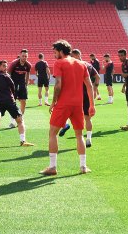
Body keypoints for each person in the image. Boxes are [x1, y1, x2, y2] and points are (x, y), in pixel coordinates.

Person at [40, 40, 94, 176]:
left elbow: (58, 84)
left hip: (64, 103)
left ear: (60, 51)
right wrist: (92, 105)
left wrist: (53, 101)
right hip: (78, 104)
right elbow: (89, 85)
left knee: (52, 133)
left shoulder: (59, 63)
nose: (54, 55)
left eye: (54, 52)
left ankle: (52, 167)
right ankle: (83, 166)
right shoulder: (82, 64)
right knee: (79, 135)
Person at [0, 60, 34, 147]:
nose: (6, 68)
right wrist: (13, 98)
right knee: (20, 121)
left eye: (6, 66)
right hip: (9, 101)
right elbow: (13, 88)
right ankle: (23, 141)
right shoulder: (6, 76)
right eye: (4, 66)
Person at [58, 49, 96, 148]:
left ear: (77, 55)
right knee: (87, 118)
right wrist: (94, 89)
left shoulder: (73, 65)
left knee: (68, 112)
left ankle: (66, 125)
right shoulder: (88, 65)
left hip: (75, 94)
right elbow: (97, 78)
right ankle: (88, 139)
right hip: (87, 93)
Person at [7, 49, 32, 127]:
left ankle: (21, 118)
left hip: (22, 84)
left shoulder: (28, 65)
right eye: (23, 56)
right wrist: (8, 84)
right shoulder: (14, 63)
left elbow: (28, 73)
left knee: (23, 102)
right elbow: (8, 73)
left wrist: (26, 82)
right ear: (20, 55)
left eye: (26, 56)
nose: (24, 57)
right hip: (13, 84)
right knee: (12, 102)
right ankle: (12, 121)